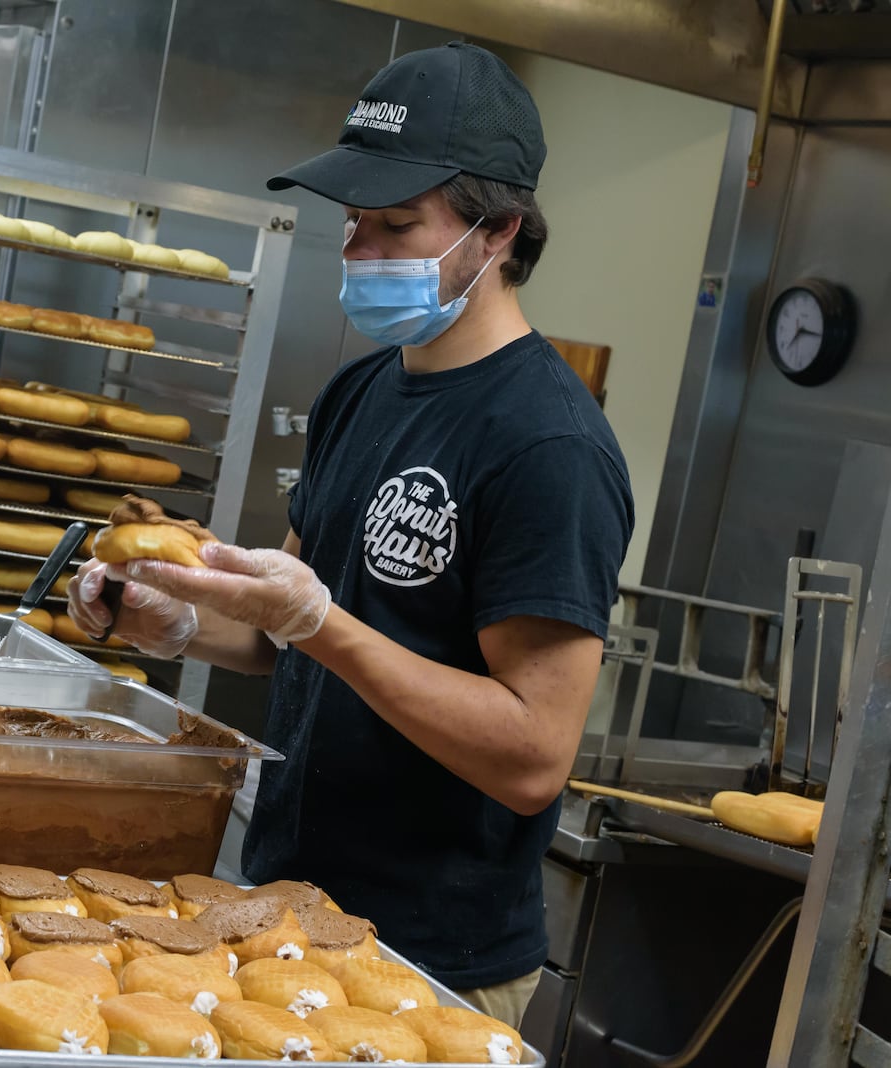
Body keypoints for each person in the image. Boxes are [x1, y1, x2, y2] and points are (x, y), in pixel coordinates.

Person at [67, 42, 633, 1028]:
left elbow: (534, 753)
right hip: (289, 903)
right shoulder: (360, 390)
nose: (358, 248)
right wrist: (183, 624)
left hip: (429, 959)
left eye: (396, 224)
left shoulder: (548, 445)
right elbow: (291, 621)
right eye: (353, 221)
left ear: (497, 232)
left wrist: (317, 623)